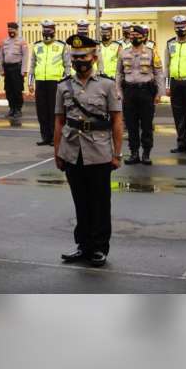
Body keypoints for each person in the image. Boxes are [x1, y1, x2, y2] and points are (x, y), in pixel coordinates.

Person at [54, 34, 123, 267]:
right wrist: (57, 152)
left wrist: (117, 153)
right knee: (80, 202)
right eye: (75, 57)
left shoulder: (107, 85)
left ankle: (99, 247)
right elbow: (59, 121)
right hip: (72, 150)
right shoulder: (63, 86)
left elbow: (117, 121)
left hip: (99, 151)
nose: (79, 61)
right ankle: (83, 246)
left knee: (100, 203)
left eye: (83, 56)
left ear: (93, 57)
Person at [116, 25, 163, 165]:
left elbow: (158, 73)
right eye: (132, 35)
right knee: (131, 125)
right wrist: (118, 91)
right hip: (129, 91)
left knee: (147, 124)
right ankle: (134, 153)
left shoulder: (151, 52)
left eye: (137, 35)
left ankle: (146, 153)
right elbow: (119, 73)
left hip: (146, 91)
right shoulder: (123, 52)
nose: (134, 38)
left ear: (143, 37)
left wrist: (159, 93)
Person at [28, 19, 70, 146]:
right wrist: (30, 82)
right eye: (44, 30)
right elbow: (32, 65)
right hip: (40, 82)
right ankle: (45, 137)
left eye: (49, 30)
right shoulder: (37, 46)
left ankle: (55, 137)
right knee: (42, 111)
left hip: (56, 83)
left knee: (54, 111)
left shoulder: (62, 45)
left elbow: (67, 66)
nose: (46, 33)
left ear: (54, 31)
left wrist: (65, 83)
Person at [165, 15, 186, 153]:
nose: (180, 29)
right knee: (178, 114)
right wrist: (167, 85)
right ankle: (181, 142)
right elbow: (167, 66)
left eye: (182, 26)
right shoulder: (170, 43)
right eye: (177, 26)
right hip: (175, 82)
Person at [1, 21, 28, 119]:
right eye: (9, 30)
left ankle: (18, 109)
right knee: (8, 90)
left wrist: (24, 70)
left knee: (17, 90)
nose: (11, 31)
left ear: (17, 30)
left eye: (12, 29)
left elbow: (25, 56)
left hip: (17, 68)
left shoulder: (22, 41)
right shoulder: (5, 41)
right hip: (7, 69)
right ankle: (11, 109)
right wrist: (2, 69)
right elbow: (1, 56)